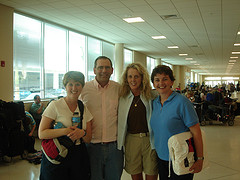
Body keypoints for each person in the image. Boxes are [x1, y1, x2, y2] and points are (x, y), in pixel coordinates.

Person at [150, 65, 204, 180]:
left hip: (181, 158)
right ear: (153, 84)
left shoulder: (182, 102)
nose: (161, 83)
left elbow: (196, 132)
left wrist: (200, 159)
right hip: (162, 158)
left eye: (165, 79)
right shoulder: (154, 103)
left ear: (172, 82)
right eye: (157, 80)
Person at [39, 71, 93, 180]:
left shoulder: (83, 108)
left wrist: (82, 132)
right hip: (58, 153)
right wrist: (65, 131)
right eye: (70, 84)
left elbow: (88, 138)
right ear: (65, 86)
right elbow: (42, 133)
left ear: (82, 86)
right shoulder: (55, 105)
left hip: (78, 155)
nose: (74, 88)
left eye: (78, 84)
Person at [80, 56, 123, 180]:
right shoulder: (84, 89)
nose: (104, 71)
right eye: (100, 67)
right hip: (92, 147)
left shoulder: (118, 89)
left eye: (107, 67)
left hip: (115, 148)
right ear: (94, 70)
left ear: (112, 70)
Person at [117, 63, 158, 180]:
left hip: (149, 140)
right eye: (130, 77)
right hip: (131, 140)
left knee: (151, 174)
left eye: (136, 76)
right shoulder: (122, 97)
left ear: (142, 78)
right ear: (126, 79)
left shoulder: (152, 95)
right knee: (135, 175)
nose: (133, 80)